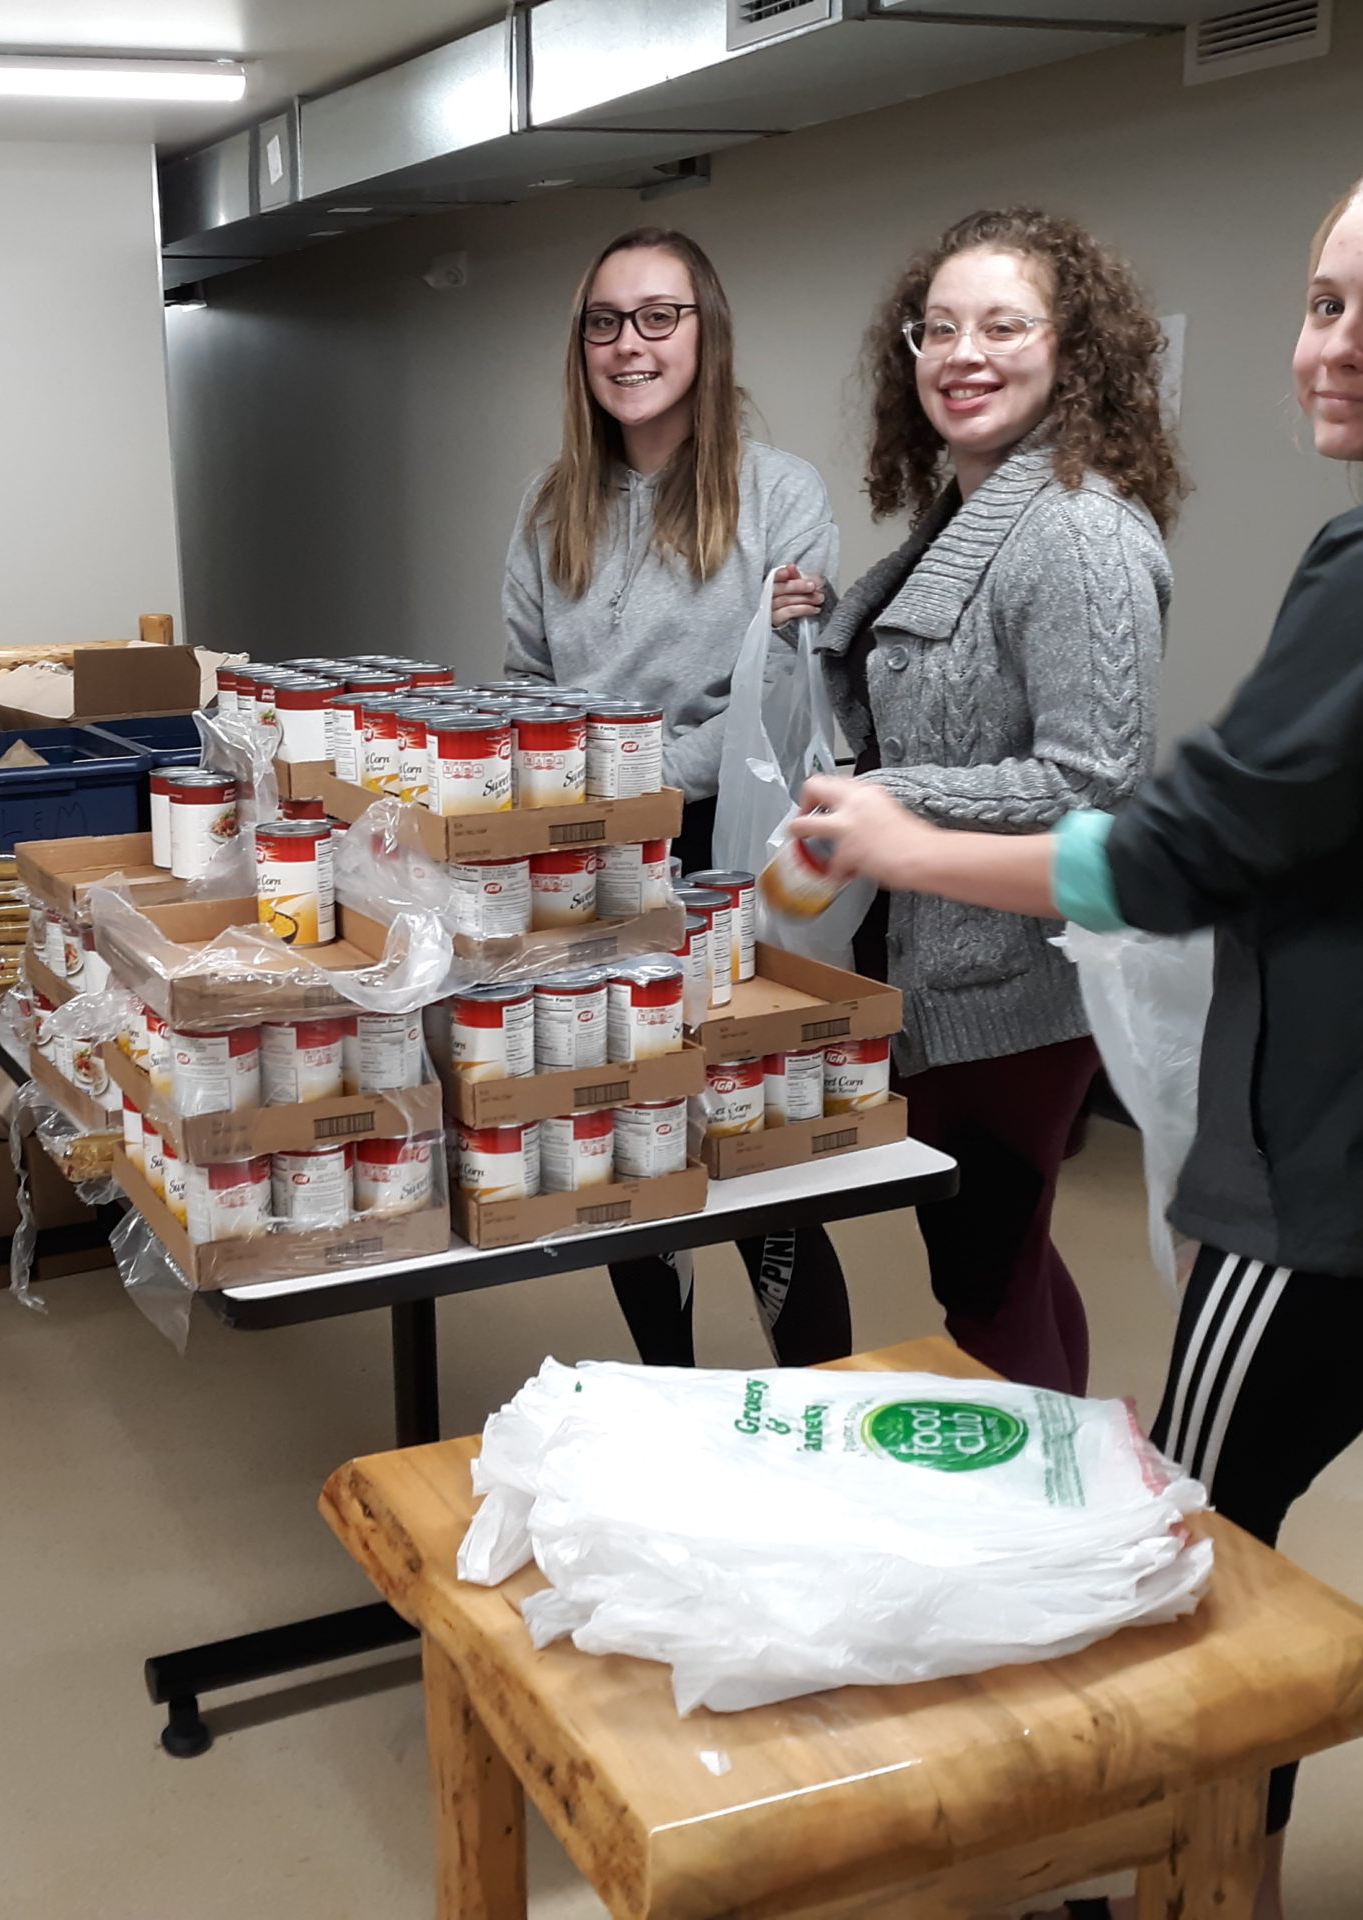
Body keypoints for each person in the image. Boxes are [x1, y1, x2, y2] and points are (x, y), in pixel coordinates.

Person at [803, 149, 1363, 1920]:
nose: (1338, 346)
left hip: (1359, 1172)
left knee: (1172, 1543)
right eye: (1326, 302)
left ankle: (1213, 1897)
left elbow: (1175, 845)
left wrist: (904, 840)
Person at [809, 208, 1177, 1395]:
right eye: (939, 329)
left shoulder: (1076, 533)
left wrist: (889, 798)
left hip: (1013, 987)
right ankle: (1072, 1458)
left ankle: (1051, 1493)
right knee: (1002, 1256)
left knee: (985, 1274)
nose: (963, 354)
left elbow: (1093, 781)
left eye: (1005, 327)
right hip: (947, 962)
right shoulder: (973, 512)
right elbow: (939, 695)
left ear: (1073, 351)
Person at [503, 225, 846, 1369]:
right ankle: (670, 1397)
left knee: (753, 1147)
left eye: (659, 317)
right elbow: (523, 684)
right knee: (623, 1135)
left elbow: (780, 699)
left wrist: (637, 775)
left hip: (722, 854)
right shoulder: (551, 505)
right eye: (604, 322)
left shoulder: (777, 493)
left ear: (707, 332)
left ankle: (810, 1407)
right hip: (590, 862)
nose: (629, 344)